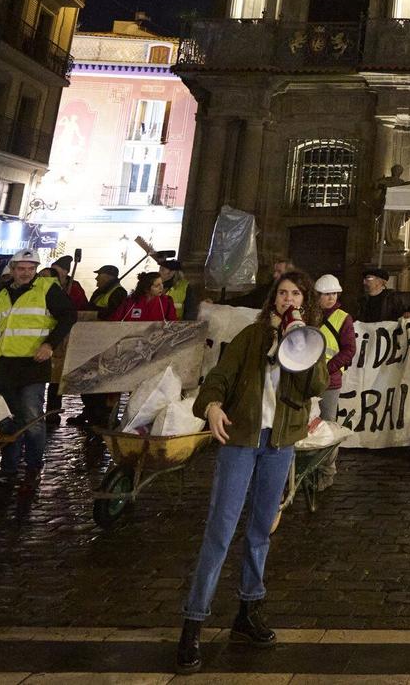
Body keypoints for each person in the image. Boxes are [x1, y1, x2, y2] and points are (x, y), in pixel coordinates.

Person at [176, 269, 327, 673]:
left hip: (279, 445)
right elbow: (219, 378)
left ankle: (248, 610)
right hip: (242, 441)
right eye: (283, 293)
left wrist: (301, 340)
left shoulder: (309, 339)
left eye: (296, 294)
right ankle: (193, 623)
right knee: (220, 530)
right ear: (273, 299)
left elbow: (317, 386)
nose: (288, 299)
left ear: (305, 301)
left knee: (261, 530)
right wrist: (211, 406)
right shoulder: (251, 336)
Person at [0, 248, 76, 483]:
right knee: (8, 418)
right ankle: (9, 468)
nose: (26, 273)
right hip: (4, 364)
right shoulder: (1, 294)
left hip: (32, 364)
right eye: (21, 268)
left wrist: (50, 344)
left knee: (32, 416)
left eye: (30, 268)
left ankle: (34, 465)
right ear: (12, 269)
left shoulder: (47, 288)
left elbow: (68, 315)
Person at [311, 274, 355, 488]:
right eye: (326, 294)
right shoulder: (309, 316)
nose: (331, 298)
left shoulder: (342, 318)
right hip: (308, 381)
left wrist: (326, 370)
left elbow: (349, 350)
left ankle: (326, 473)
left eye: (334, 294)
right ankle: (311, 470)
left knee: (327, 428)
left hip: (329, 382)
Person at [112, 273, 177, 322]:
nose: (161, 287)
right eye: (157, 286)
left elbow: (173, 323)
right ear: (146, 289)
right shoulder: (130, 301)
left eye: (161, 283)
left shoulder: (166, 301)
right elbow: (114, 321)